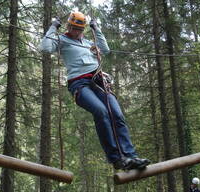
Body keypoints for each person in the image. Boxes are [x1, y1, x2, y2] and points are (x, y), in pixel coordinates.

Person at [39, 11, 150, 170]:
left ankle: (131, 156)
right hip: (79, 83)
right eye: (74, 28)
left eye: (80, 29)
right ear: (69, 26)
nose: (77, 32)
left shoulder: (87, 42)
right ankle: (117, 159)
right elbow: (45, 47)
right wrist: (53, 26)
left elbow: (105, 50)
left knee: (116, 114)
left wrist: (96, 28)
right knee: (101, 111)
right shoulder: (61, 40)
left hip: (98, 80)